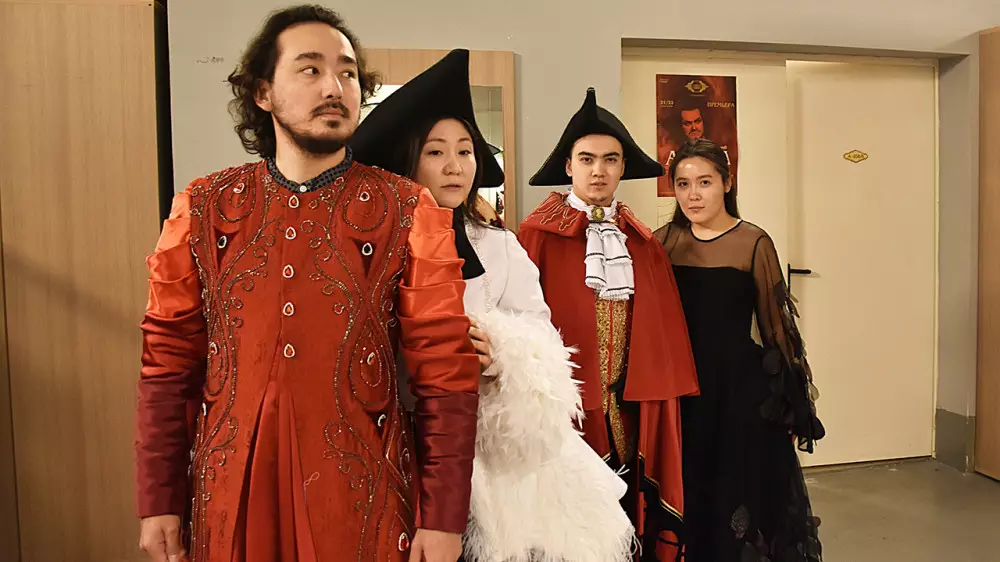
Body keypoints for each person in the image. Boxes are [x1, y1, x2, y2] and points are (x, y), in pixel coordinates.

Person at [134, 6, 481, 562]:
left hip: (362, 501)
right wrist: (158, 500)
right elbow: (167, 364)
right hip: (230, 495)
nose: (334, 88)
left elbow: (445, 375)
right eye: (310, 69)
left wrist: (443, 518)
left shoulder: (406, 209)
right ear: (264, 92)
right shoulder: (202, 207)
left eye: (347, 73)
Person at [351, 49, 635, 562]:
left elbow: (543, 335)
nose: (455, 166)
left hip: (487, 450)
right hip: (393, 439)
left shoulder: (498, 246)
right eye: (436, 152)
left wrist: (502, 350)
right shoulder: (372, 250)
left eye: (465, 151)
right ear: (409, 160)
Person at [518, 88, 700, 561]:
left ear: (622, 169)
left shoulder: (643, 242)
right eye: (587, 159)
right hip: (568, 410)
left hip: (631, 406)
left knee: (627, 514)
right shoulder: (536, 235)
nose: (598, 170)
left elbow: (663, 333)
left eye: (610, 160)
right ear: (568, 167)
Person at [654, 138, 825, 562]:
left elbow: (776, 330)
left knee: (736, 495)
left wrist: (792, 404)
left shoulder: (752, 242)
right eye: (683, 184)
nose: (693, 195)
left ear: (727, 183)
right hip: (682, 393)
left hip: (738, 394)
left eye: (705, 182)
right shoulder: (662, 242)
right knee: (689, 494)